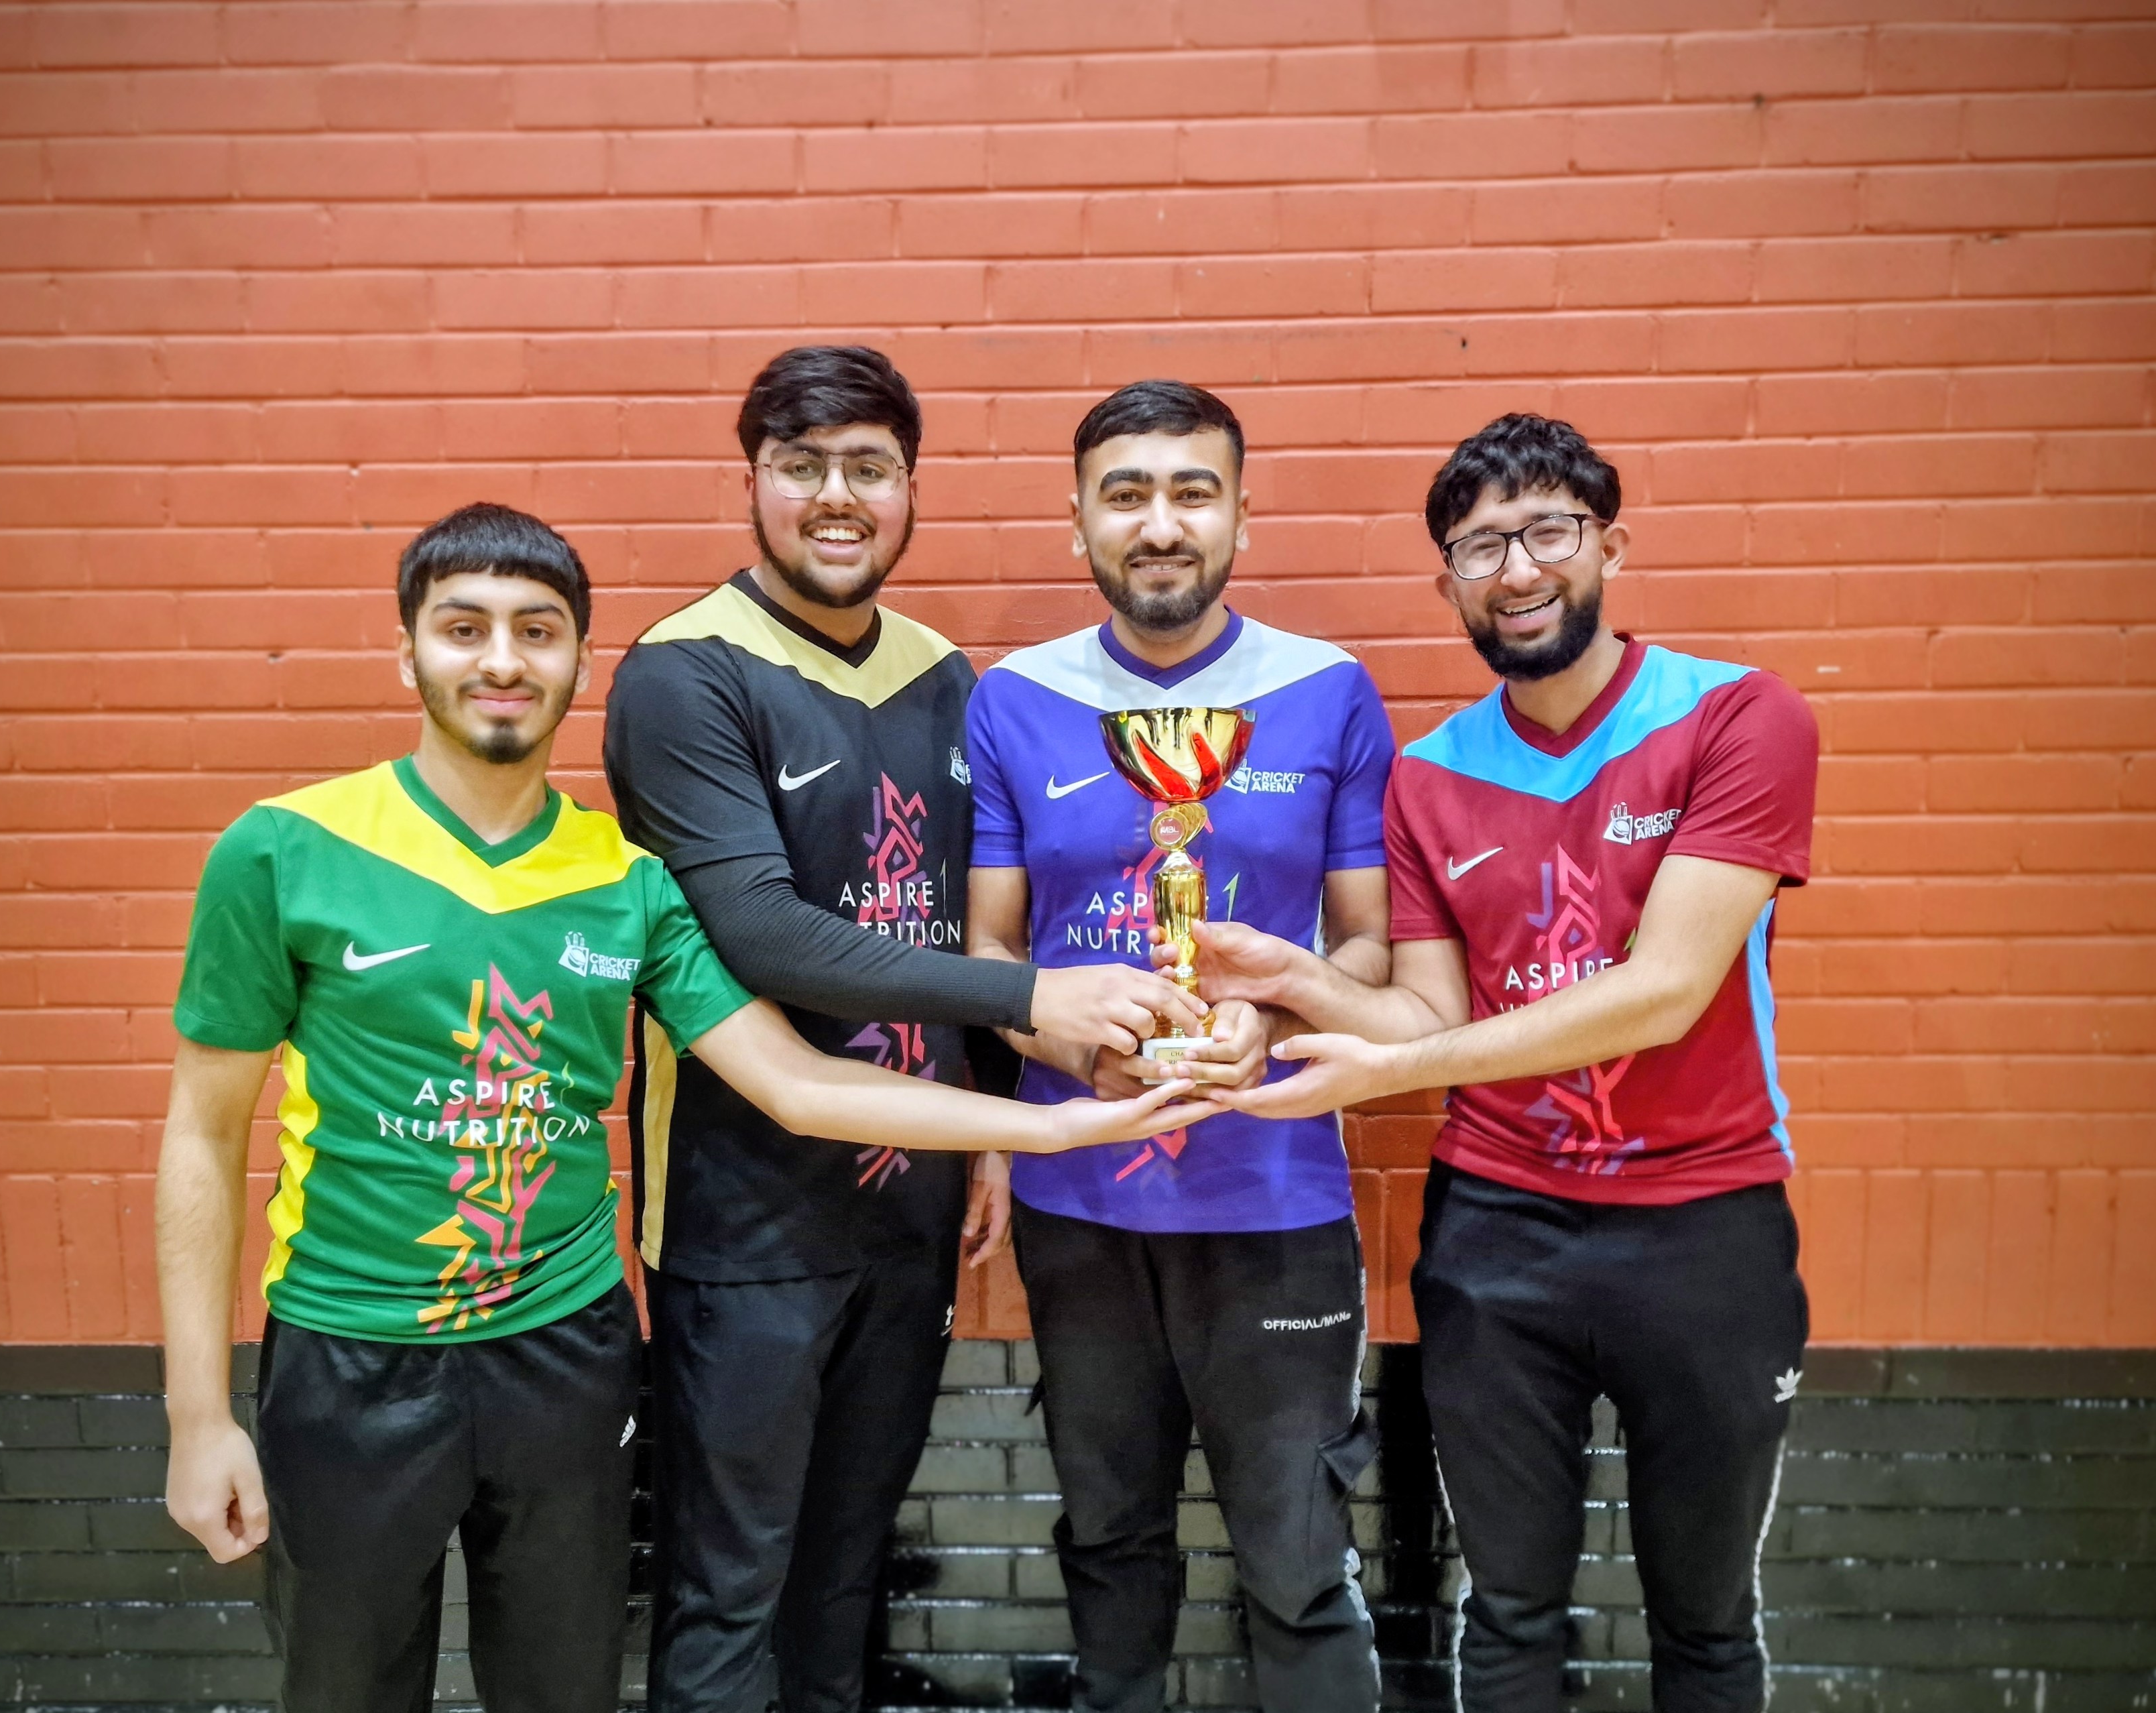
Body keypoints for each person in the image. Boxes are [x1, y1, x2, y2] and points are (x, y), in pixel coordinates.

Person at [156, 501, 1208, 1713]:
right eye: (463, 629)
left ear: (579, 664)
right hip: (349, 1359)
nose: (501, 661)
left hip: (565, 1356)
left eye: (536, 632)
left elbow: (800, 1085)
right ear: (407, 654)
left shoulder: (631, 885)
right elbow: (201, 1133)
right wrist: (196, 1415)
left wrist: (1062, 1123)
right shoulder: (285, 850)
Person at [603, 347, 1198, 1713]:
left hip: (911, 1209)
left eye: (867, 467)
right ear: (752, 481)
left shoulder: (943, 679)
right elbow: (764, 935)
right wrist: (1032, 1004)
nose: (835, 497)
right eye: (801, 466)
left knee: (843, 1582)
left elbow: (955, 916)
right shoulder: (684, 675)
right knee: (724, 1593)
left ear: (907, 487)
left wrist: (989, 1130)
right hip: (742, 1222)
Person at [1200, 414, 1819, 1712]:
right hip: (1495, 1232)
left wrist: (1372, 1078)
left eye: (1546, 531)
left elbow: (1658, 995)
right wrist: (1294, 980)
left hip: (1703, 1229)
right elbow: (1424, 1020)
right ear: (1447, 584)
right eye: (1478, 547)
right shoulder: (1426, 779)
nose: (1516, 570)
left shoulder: (1738, 718)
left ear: (1607, 544)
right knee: (1510, 1616)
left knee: (1704, 1625)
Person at [963, 379, 1398, 1713]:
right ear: (1079, 521)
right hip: (1078, 1195)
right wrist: (1066, 1032)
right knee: (1107, 1548)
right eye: (1127, 493)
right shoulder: (1013, 699)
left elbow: (1369, 948)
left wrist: (1267, 1020)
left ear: (1239, 519)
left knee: (1295, 1563)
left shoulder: (1325, 694)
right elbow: (985, 952)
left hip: (1275, 1197)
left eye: (1191, 491)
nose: (1160, 523)